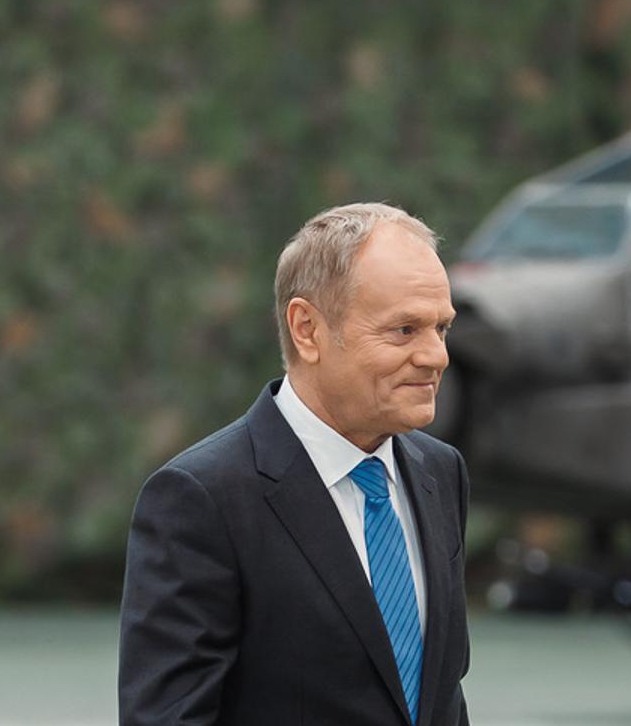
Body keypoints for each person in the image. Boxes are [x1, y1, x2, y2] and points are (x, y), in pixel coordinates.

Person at [119, 203, 469, 725]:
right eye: (403, 330)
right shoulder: (202, 499)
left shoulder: (440, 473)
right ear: (307, 329)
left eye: (441, 328)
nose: (435, 356)